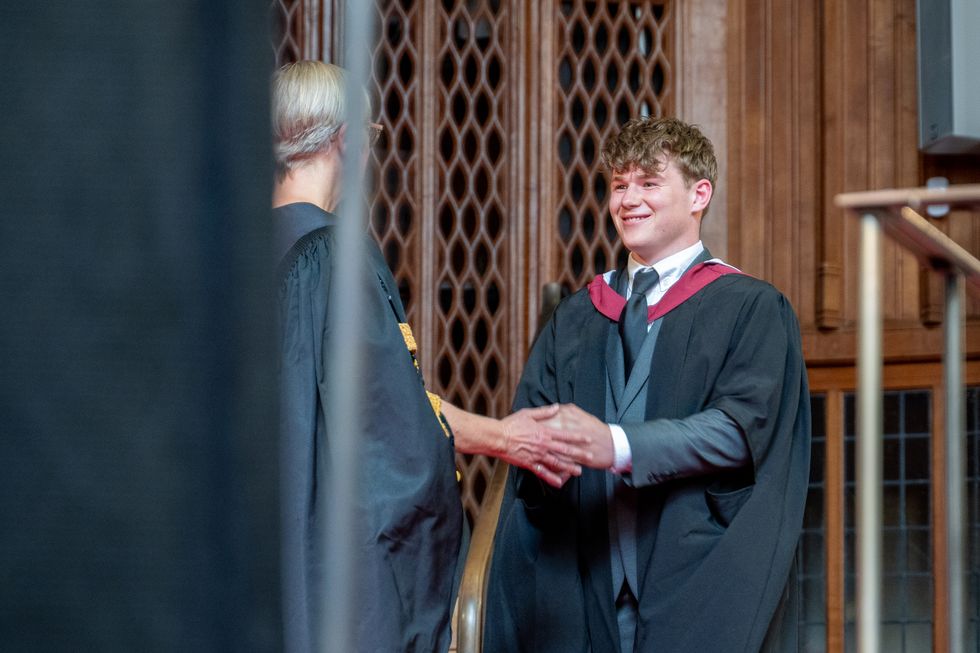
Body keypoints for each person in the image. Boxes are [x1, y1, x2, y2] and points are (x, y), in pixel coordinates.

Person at [272, 60, 585, 653]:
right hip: (340, 586)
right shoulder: (333, 259)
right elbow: (398, 435)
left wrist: (499, 435)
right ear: (345, 140)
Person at [485, 116, 811, 653]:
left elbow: (740, 431)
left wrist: (614, 445)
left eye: (649, 183)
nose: (628, 199)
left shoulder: (750, 308)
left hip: (697, 578)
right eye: (619, 185)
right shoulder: (576, 317)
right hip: (581, 577)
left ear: (698, 194)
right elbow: (531, 444)